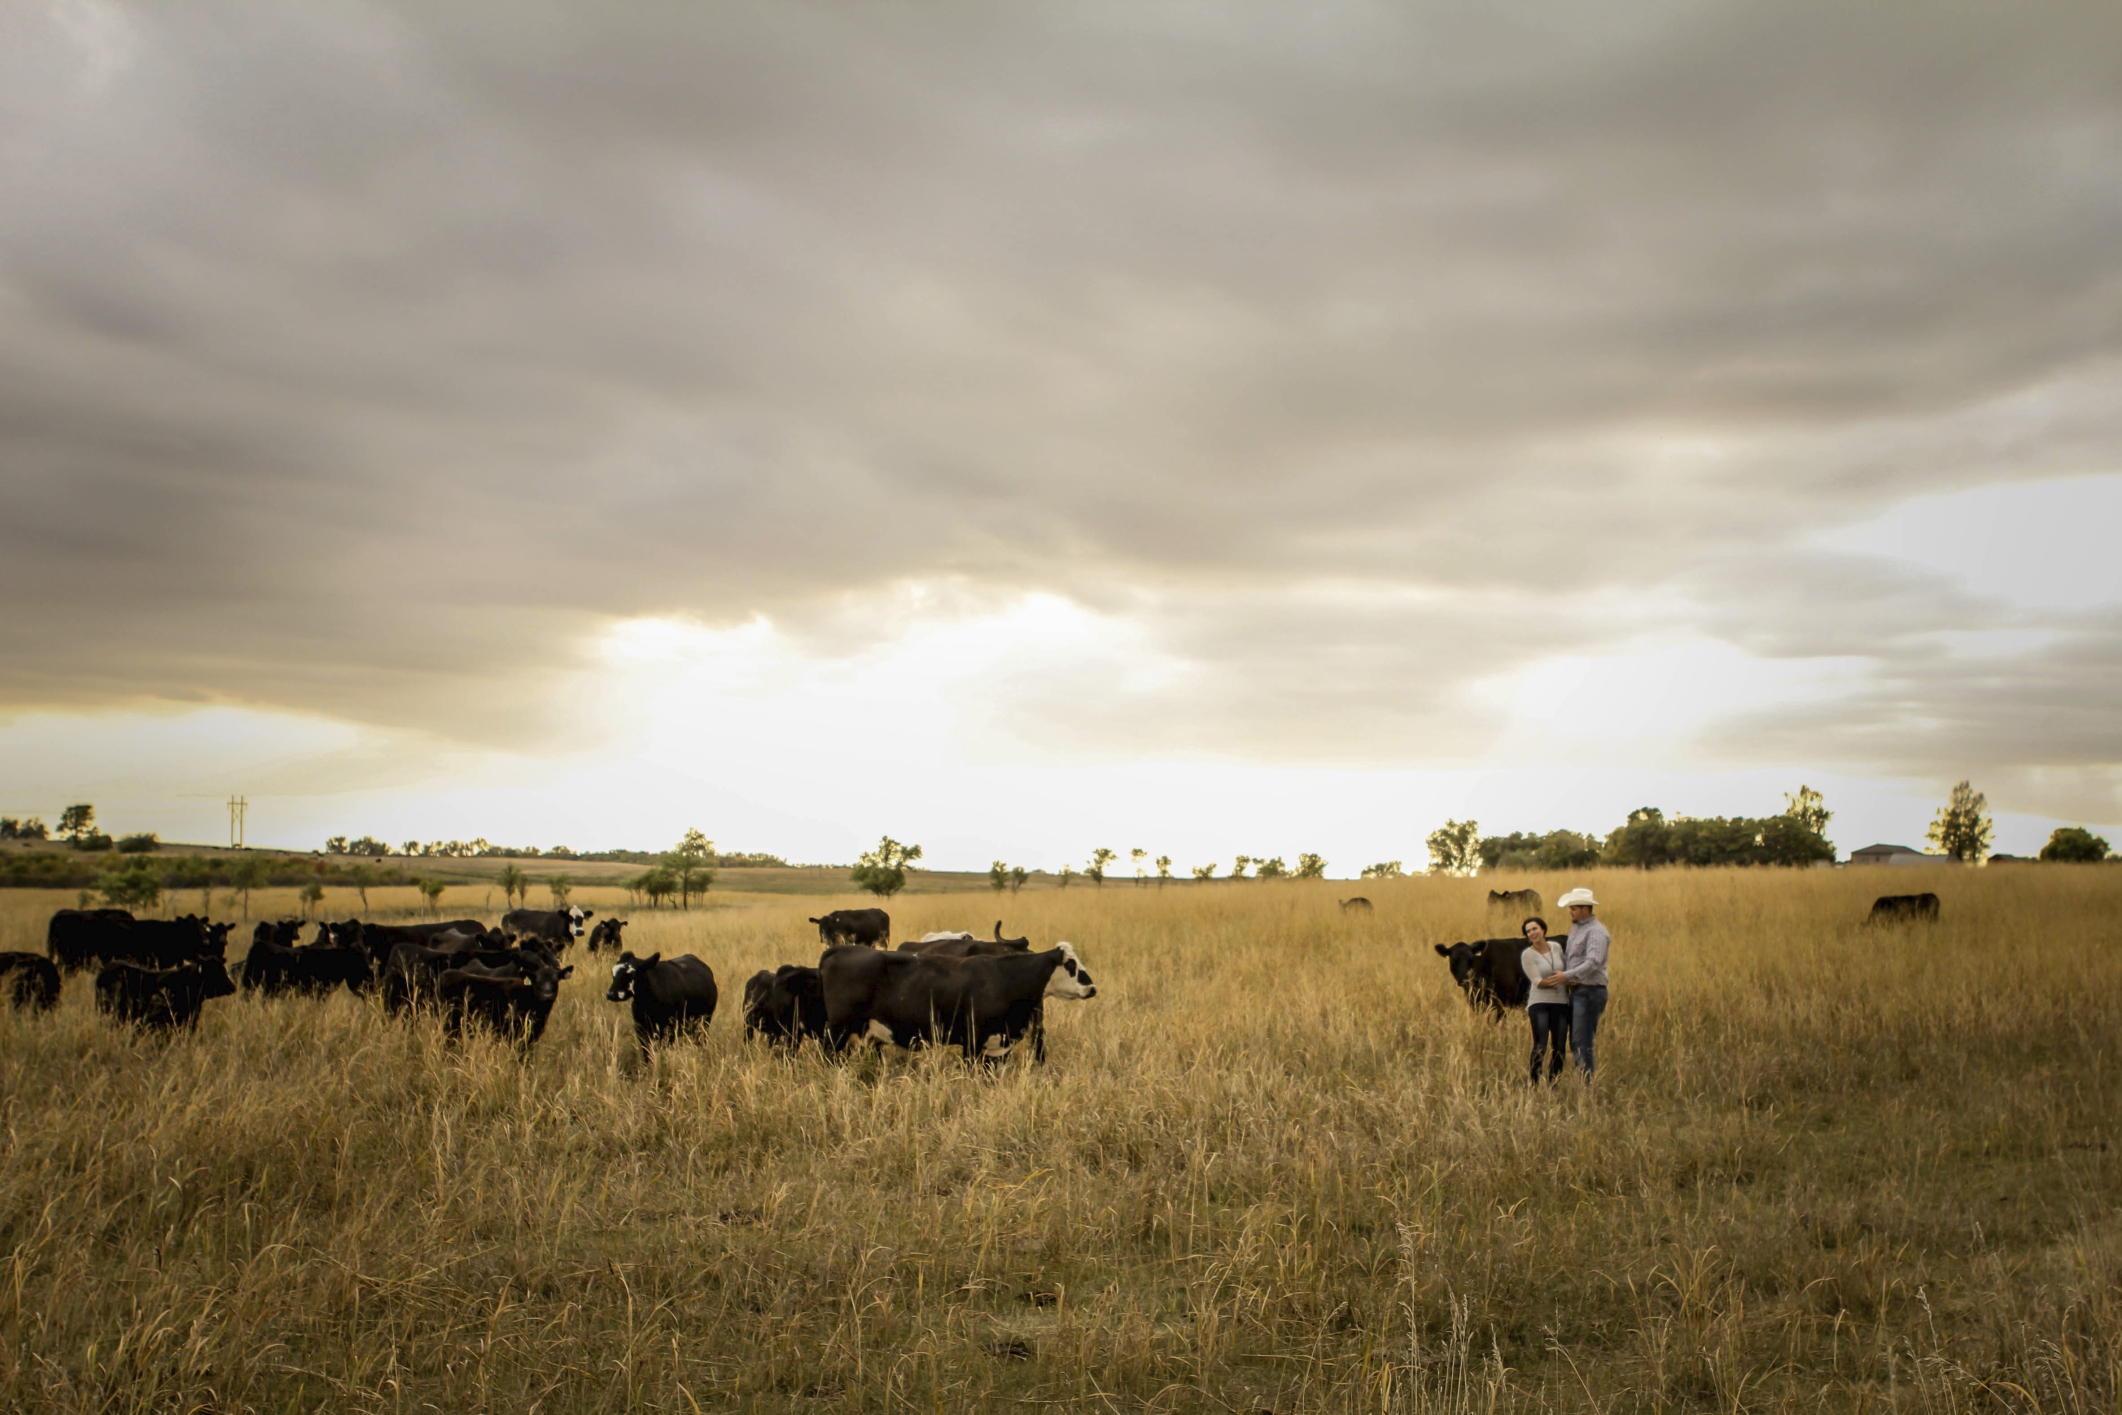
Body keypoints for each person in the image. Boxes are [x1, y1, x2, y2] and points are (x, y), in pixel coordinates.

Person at [1539, 886, 1610, 1083]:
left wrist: (1566, 976)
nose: (1570, 912)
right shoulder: (1577, 928)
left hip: (1589, 991)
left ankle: (1586, 1089)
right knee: (1577, 1041)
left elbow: (1593, 962)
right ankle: (1585, 1085)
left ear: (1585, 909)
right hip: (1579, 991)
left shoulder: (1596, 932)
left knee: (1581, 1042)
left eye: (1573, 909)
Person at [1519, 916, 1569, 1085]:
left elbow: (1566, 970)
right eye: (1528, 931)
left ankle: (1553, 1084)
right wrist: (1563, 979)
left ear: (1543, 930)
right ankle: (1534, 1083)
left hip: (1561, 1002)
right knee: (1541, 1045)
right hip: (1539, 1003)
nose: (1532, 933)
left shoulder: (1556, 947)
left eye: (1534, 929)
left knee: (1560, 1047)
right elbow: (1539, 982)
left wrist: (1567, 977)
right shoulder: (1527, 954)